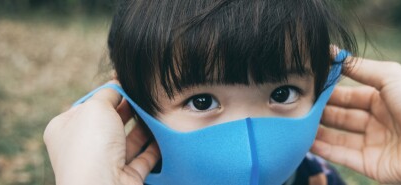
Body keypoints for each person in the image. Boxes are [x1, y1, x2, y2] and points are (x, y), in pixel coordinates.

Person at [46, 0, 353, 184]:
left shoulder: (317, 177)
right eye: (202, 101)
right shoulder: (113, 177)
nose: (250, 151)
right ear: (132, 99)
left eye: (283, 93)